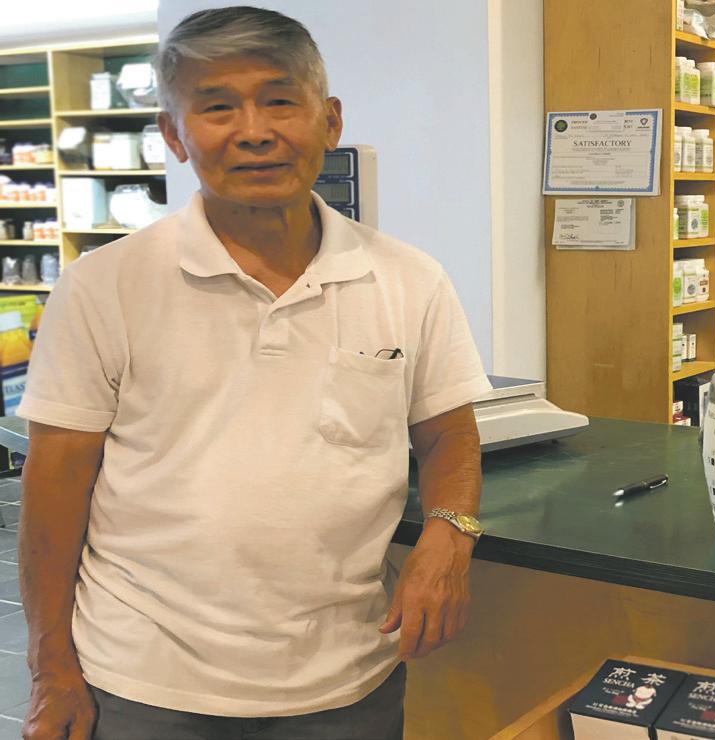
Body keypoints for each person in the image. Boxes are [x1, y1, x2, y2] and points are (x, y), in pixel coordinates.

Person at [17, 7, 491, 739]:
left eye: (280, 101)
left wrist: (449, 534)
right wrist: (51, 668)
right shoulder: (103, 286)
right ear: (174, 135)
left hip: (348, 675)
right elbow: (54, 486)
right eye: (216, 108)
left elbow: (447, 432)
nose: (255, 131)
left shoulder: (409, 279)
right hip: (146, 680)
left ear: (329, 120)